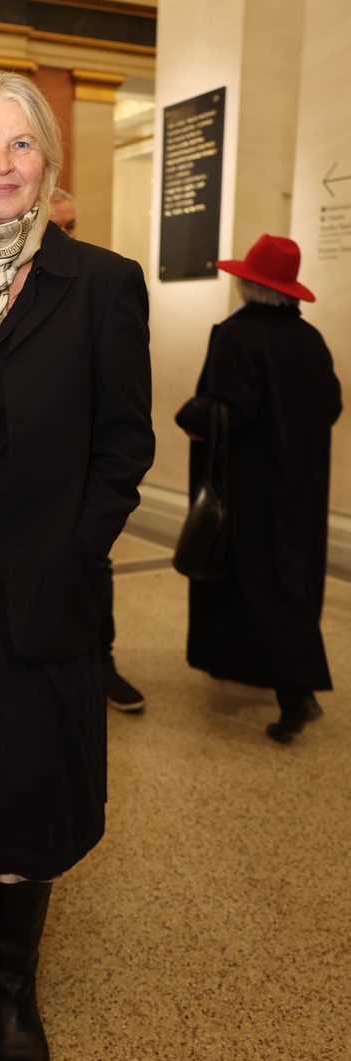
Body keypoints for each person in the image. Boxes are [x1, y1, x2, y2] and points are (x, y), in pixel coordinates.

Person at [0, 72, 155, 1061]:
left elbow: (124, 444)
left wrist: (74, 551)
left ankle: (16, 988)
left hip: (40, 590)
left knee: (33, 775)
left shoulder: (100, 282)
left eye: (20, 146)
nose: (1, 164)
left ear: (48, 164)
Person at [175, 234, 342, 743]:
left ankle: (297, 694)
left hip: (250, 485)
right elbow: (331, 405)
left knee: (260, 584)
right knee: (290, 577)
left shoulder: (238, 333)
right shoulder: (309, 337)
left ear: (249, 284)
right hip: (302, 483)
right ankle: (258, 669)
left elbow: (233, 409)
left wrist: (193, 414)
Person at [49, 186, 146, 714]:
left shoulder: (104, 285)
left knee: (93, 580)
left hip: (81, 498)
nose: (64, 236)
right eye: (54, 226)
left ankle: (102, 663)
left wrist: (90, 531)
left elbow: (127, 425)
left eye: (71, 226)